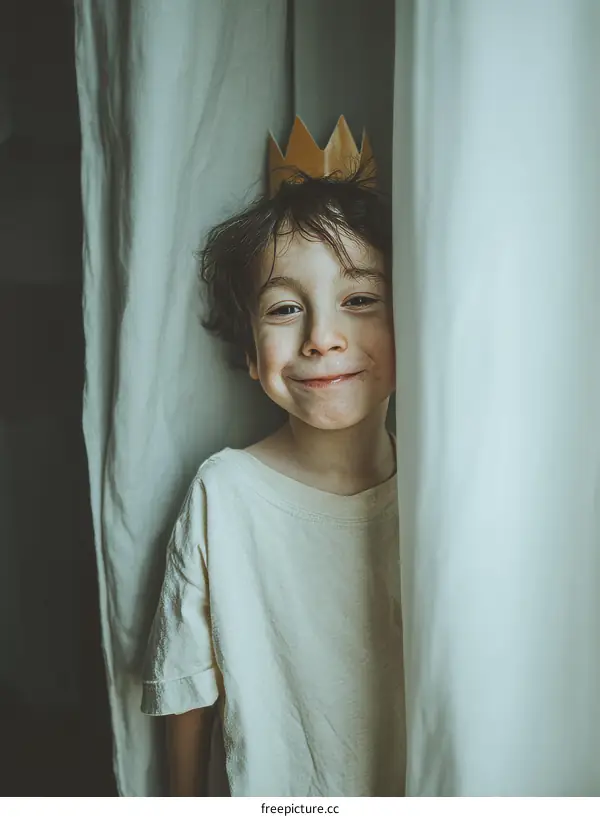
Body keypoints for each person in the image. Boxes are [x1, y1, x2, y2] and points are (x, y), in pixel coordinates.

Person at [141, 167, 405, 797]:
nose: (321, 338)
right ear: (254, 357)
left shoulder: (442, 494)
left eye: (360, 300)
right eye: (286, 308)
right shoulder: (224, 494)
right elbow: (186, 679)